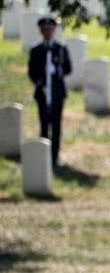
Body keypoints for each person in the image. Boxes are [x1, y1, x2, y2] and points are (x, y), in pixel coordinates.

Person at [27, 16, 72, 166]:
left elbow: (68, 68)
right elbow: (32, 71)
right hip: (42, 92)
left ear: (53, 31)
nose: (47, 32)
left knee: (56, 125)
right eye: (44, 30)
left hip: (57, 92)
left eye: (50, 30)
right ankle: (44, 156)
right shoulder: (36, 49)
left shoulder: (60, 48)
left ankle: (55, 157)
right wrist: (41, 84)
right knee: (44, 124)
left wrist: (56, 70)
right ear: (41, 31)